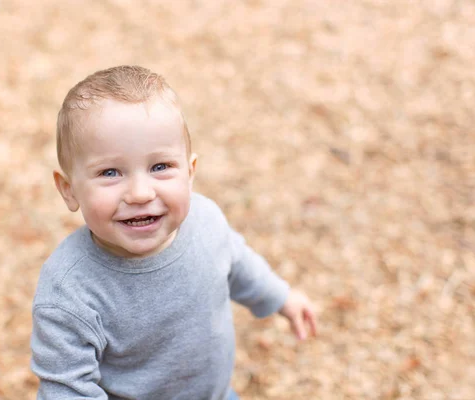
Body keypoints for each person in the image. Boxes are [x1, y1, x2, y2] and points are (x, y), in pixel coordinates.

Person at [30, 65, 318, 400]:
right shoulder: (70, 291)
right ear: (69, 190)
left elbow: (237, 263)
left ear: (190, 172)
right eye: (110, 172)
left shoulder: (206, 221)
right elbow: (66, 388)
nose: (140, 193)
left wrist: (280, 297)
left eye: (160, 167)